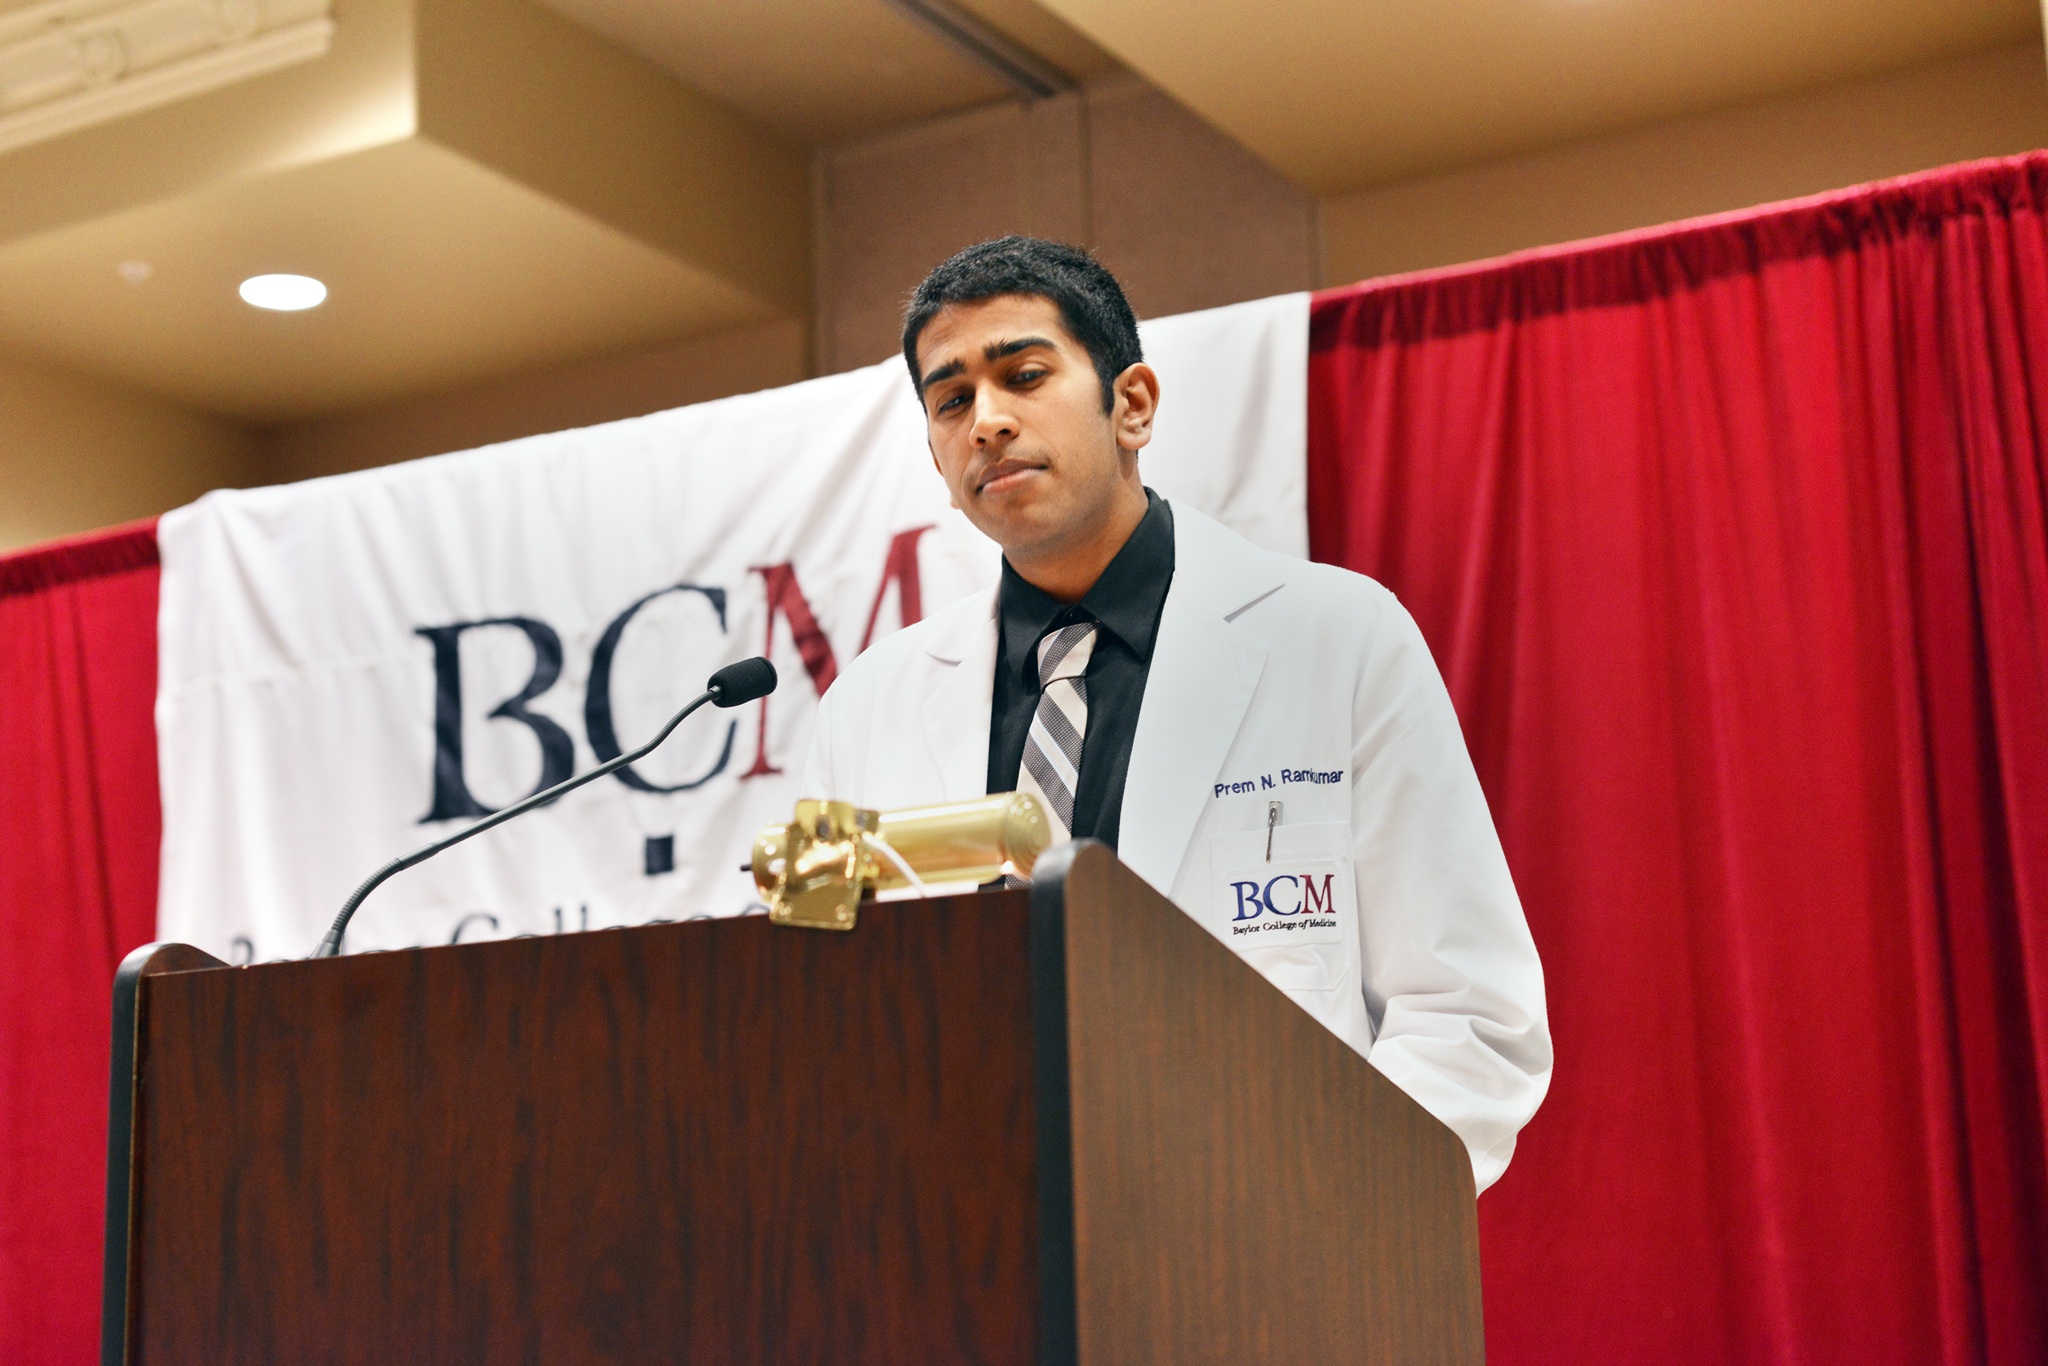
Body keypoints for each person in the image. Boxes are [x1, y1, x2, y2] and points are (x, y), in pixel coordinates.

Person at [802, 236, 1549, 1193]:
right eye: (951, 401)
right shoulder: (863, 704)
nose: (986, 420)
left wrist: (1308, 1216)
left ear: (1133, 405)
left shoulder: (1342, 635)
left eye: (1024, 375)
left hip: (1266, 1267)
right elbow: (807, 1000)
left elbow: (1471, 1019)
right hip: (961, 1255)